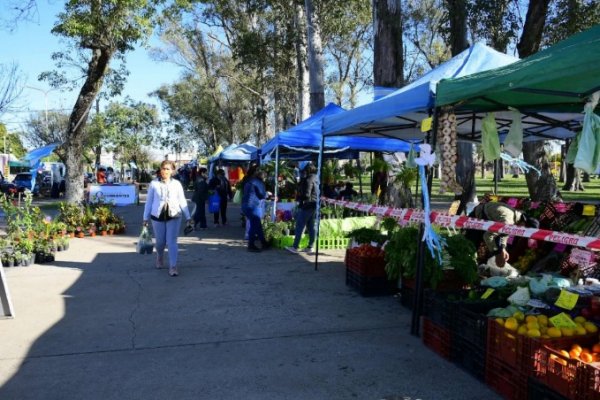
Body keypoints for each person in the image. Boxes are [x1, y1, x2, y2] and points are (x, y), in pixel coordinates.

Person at [143, 160, 193, 277]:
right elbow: (149, 202)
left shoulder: (177, 184)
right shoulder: (154, 184)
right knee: (160, 242)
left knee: (172, 242)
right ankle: (160, 256)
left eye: (168, 169)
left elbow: (182, 201)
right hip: (157, 216)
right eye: (163, 168)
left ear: (172, 171)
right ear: (160, 170)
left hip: (174, 215)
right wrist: (145, 218)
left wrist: (188, 217)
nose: (165, 171)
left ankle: (173, 266)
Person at [464, 201, 540, 268]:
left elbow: (504, 234)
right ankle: (465, 267)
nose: (522, 235)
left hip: (487, 219)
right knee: (471, 246)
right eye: (524, 232)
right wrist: (497, 253)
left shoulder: (517, 218)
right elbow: (488, 236)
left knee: (479, 246)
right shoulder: (508, 221)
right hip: (476, 218)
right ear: (524, 223)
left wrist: (503, 248)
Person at [286, 163, 317, 254]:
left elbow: (306, 195)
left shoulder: (308, 180)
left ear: (307, 170)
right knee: (310, 227)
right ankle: (310, 246)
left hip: (307, 205)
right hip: (314, 205)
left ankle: (295, 247)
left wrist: (299, 198)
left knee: (299, 225)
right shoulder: (317, 177)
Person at [241, 167, 269, 252]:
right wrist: (268, 194)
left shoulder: (249, 181)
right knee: (254, 225)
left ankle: (264, 243)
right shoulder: (259, 183)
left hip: (245, 205)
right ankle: (251, 245)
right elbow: (262, 195)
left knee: (257, 225)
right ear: (263, 177)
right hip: (253, 206)